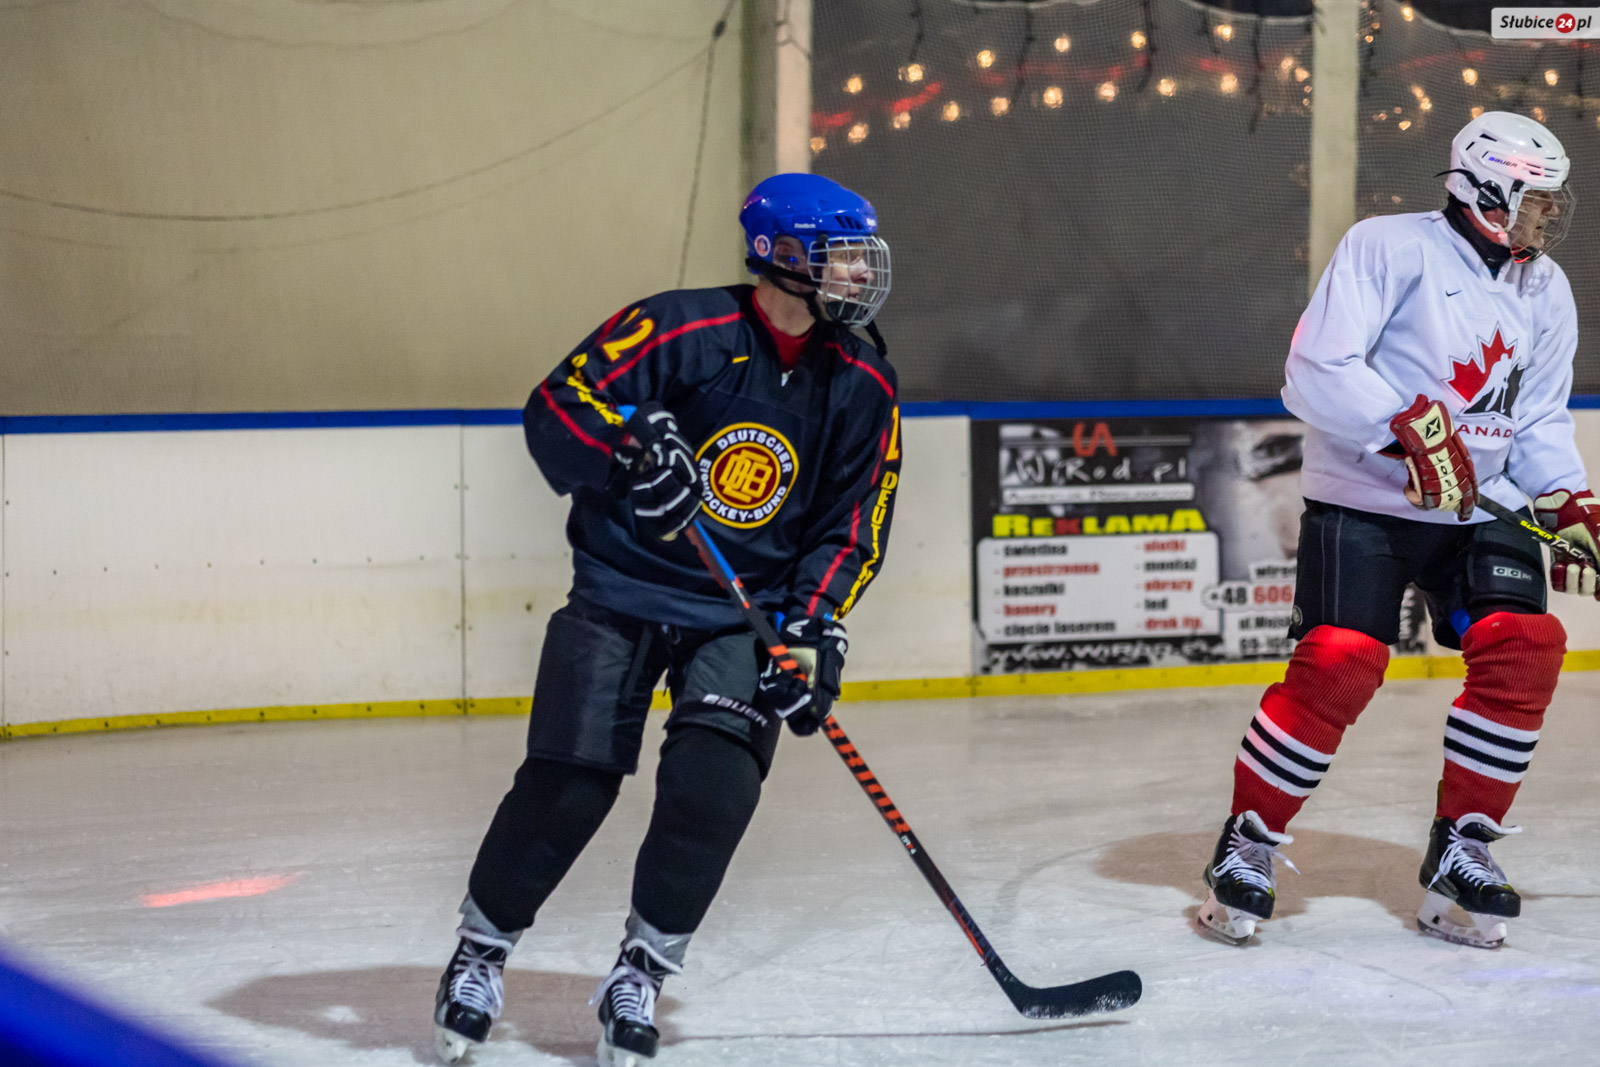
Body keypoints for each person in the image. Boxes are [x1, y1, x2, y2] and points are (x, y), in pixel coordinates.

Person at [431, 172, 901, 1064]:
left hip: (742, 613)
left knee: (715, 786)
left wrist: (813, 625)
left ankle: (642, 970)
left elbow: (855, 516)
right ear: (780, 255)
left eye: (857, 257)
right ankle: (480, 952)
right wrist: (626, 449)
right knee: (570, 783)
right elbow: (557, 406)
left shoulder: (864, 378)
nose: (856, 273)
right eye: (839, 255)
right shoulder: (681, 327)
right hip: (622, 586)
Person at [1199, 111, 1597, 950]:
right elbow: (1315, 370)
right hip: (1366, 502)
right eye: (1534, 199)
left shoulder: (1546, 288)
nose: (1548, 215)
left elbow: (1537, 415)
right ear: (1485, 190)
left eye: (1553, 201)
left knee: (1526, 646)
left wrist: (1566, 497)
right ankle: (1249, 839)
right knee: (1339, 662)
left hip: (1481, 505)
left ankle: (1464, 844)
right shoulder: (1387, 246)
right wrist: (1402, 432)